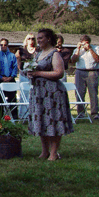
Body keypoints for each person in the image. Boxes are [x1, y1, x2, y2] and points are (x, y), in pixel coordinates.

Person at [26, 29, 74, 160]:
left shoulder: (55, 54)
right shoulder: (38, 54)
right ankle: (44, 151)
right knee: (41, 120)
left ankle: (53, 153)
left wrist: (38, 74)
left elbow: (59, 73)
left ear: (48, 39)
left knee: (54, 121)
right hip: (39, 92)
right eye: (38, 38)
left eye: (41, 38)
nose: (39, 40)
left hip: (52, 93)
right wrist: (29, 72)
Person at [71, 34, 99, 120]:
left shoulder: (96, 48)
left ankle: (95, 113)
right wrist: (78, 49)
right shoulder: (77, 50)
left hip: (92, 72)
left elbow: (98, 60)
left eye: (87, 43)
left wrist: (90, 49)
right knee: (79, 93)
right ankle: (80, 113)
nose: (85, 45)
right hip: (80, 72)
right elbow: (73, 60)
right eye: (84, 43)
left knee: (93, 93)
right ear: (80, 43)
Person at [16, 33, 37, 119]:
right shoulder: (21, 50)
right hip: (24, 74)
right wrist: (20, 70)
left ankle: (33, 115)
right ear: (26, 40)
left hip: (35, 74)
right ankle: (22, 115)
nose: (31, 40)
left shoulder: (38, 50)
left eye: (33, 39)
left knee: (34, 94)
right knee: (24, 94)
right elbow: (18, 61)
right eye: (29, 38)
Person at [0, 38, 18, 113]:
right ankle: (0, 118)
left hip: (10, 79)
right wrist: (1, 77)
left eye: (5, 45)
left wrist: (11, 77)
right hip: (0, 79)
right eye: (1, 45)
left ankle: (14, 117)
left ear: (7, 45)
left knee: (12, 100)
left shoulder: (12, 56)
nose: (3, 46)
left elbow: (15, 67)